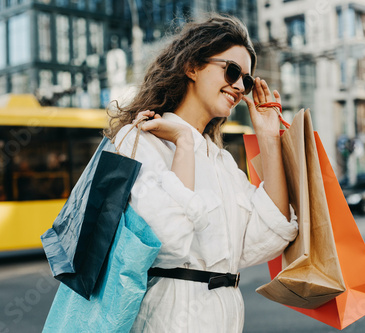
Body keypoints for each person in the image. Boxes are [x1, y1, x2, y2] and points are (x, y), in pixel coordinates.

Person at [105, 14, 298, 332]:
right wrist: (182, 143)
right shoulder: (140, 138)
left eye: (246, 81)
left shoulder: (220, 160)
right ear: (191, 66)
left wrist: (268, 137)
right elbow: (166, 243)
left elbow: (267, 237)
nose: (239, 87)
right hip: (170, 319)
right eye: (232, 71)